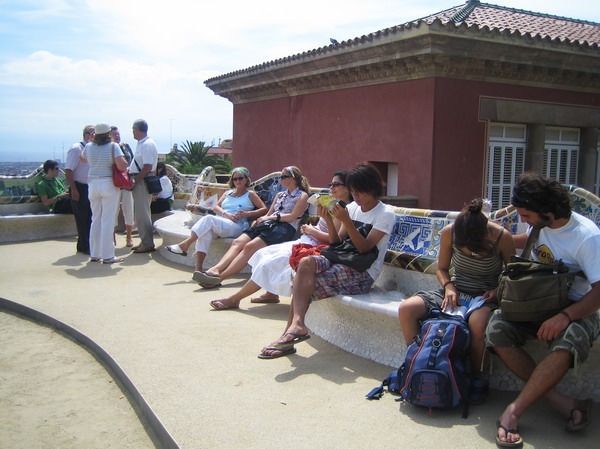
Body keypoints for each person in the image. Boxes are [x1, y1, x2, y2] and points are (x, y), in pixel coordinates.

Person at [487, 173, 600, 448]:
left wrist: (565, 317)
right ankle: (559, 400)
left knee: (567, 341)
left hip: (577, 306)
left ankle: (514, 411)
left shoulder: (587, 237)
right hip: (538, 302)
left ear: (547, 212)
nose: (523, 219)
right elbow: (523, 242)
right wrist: (491, 234)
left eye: (526, 214)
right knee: (496, 330)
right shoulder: (541, 226)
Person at [258, 163, 395, 359]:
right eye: (353, 191)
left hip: (362, 272)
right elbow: (337, 241)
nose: (355, 197)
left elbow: (365, 247)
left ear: (372, 188)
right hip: (341, 258)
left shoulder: (385, 214)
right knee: (305, 263)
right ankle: (297, 325)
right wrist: (330, 220)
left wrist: (347, 221)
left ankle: (287, 337)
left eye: (359, 192)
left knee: (303, 284)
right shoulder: (354, 207)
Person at [398, 198, 515, 404]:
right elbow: (441, 269)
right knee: (407, 309)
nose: (470, 252)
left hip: (485, 295)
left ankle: (476, 379)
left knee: (477, 324)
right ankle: (416, 363)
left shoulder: (501, 237)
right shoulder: (449, 232)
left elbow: (513, 274)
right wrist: (449, 286)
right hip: (455, 291)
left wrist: (497, 290)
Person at [210, 170, 352, 310]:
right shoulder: (332, 203)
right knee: (263, 253)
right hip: (306, 238)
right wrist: (312, 227)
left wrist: (312, 230)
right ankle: (271, 293)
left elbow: (335, 240)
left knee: (270, 262)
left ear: (348, 188)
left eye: (336, 185)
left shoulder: (345, 209)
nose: (331, 188)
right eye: (330, 184)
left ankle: (235, 299)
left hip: (315, 244)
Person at [194, 166, 310, 288]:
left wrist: (269, 218)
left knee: (250, 246)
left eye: (283, 177)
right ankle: (216, 269)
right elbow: (268, 213)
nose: (280, 179)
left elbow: (293, 216)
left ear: (293, 178)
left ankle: (219, 278)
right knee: (237, 242)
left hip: (284, 228)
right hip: (268, 224)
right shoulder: (280, 195)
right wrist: (259, 220)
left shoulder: (302, 196)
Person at [166, 167, 267, 275]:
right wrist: (226, 214)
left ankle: (185, 245)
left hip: (238, 226)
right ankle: (198, 270)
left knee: (209, 219)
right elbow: (216, 207)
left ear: (246, 179)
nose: (238, 181)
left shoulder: (250, 194)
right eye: (235, 179)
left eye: (240, 178)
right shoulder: (227, 193)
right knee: (205, 232)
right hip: (222, 222)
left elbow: (264, 209)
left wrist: (248, 214)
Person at [81, 123, 129, 264]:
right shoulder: (114, 146)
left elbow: (82, 158)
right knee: (107, 220)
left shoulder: (89, 146)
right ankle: (108, 255)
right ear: (108, 133)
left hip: (93, 183)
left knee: (95, 219)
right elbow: (122, 165)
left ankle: (95, 253)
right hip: (108, 184)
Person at [128, 119, 158, 253]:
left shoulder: (146, 144)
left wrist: (134, 181)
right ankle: (145, 240)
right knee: (141, 212)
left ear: (137, 129)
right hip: (141, 179)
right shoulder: (144, 144)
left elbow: (147, 167)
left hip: (142, 180)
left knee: (142, 213)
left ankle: (147, 243)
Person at [64, 125, 94, 254]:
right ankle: (84, 246)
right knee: (82, 219)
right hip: (79, 187)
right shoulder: (77, 149)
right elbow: (69, 170)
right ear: (87, 135)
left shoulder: (91, 150)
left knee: (90, 218)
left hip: (90, 187)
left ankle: (86, 245)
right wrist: (74, 189)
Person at [110, 125, 135, 247]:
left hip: (126, 184)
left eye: (118, 134)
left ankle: (129, 237)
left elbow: (132, 162)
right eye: (115, 134)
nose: (117, 136)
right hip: (113, 184)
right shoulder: (108, 149)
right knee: (113, 211)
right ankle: (112, 237)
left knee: (129, 210)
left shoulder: (125, 146)